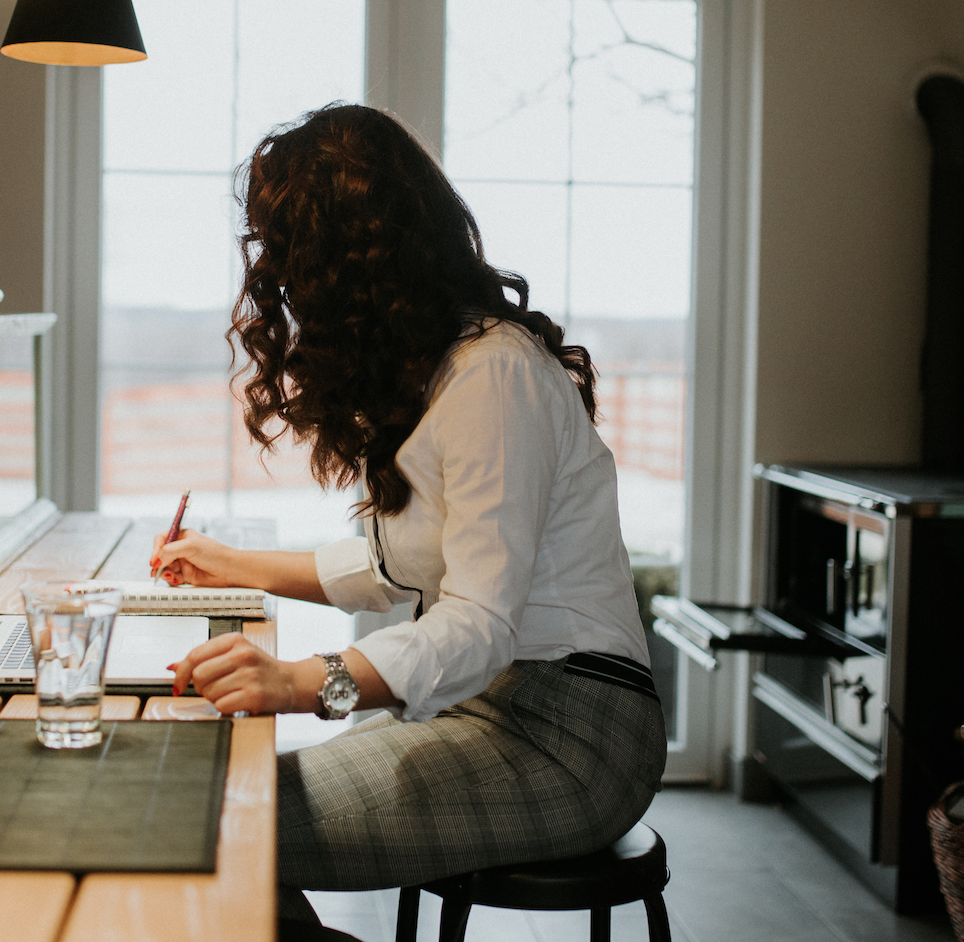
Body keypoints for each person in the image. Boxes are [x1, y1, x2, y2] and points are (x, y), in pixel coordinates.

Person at [155, 103, 665, 917]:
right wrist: (231, 564)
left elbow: (477, 624)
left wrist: (301, 681)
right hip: (487, 706)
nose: (285, 295)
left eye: (295, 267)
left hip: (571, 738)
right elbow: (400, 567)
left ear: (354, 266)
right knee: (220, 804)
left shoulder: (492, 374)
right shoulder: (445, 370)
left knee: (216, 824)